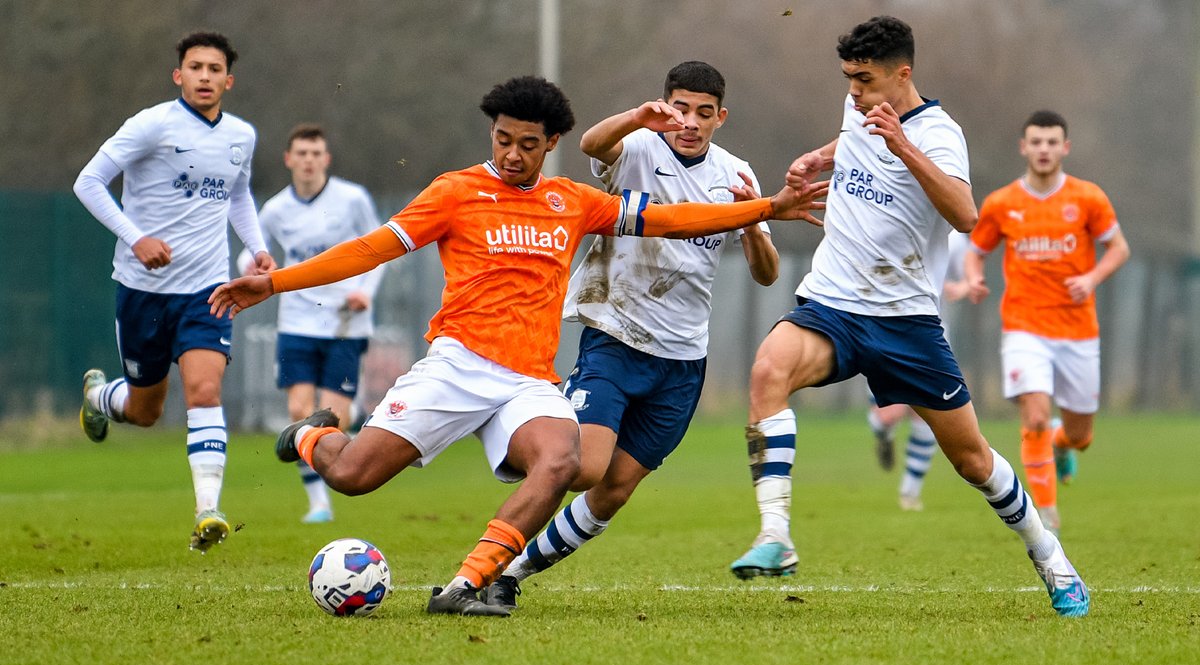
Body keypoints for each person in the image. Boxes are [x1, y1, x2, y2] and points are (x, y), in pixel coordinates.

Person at [207, 75, 824, 616]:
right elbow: (369, 249)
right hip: (455, 364)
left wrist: (768, 208)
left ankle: (467, 583)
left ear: (550, 144)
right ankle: (312, 437)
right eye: (503, 139)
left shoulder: (571, 202)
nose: (512, 153)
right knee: (351, 476)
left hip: (528, 379)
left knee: (565, 462)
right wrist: (276, 283)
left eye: (528, 144)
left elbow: (669, 219)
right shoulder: (454, 192)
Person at [730, 16, 1089, 616]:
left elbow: (965, 213)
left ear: (903, 74)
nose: (853, 92)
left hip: (906, 322)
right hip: (834, 304)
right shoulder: (860, 107)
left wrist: (904, 146)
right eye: (847, 79)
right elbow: (855, 138)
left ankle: (1049, 555)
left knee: (972, 459)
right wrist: (820, 155)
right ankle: (775, 537)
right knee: (769, 371)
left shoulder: (941, 134)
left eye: (864, 80)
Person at [479, 61, 785, 608]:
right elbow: (594, 143)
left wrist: (748, 222)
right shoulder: (641, 146)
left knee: (613, 489)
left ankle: (508, 573)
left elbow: (767, 273)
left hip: (683, 360)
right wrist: (639, 118)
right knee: (584, 467)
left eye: (703, 113)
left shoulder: (737, 173)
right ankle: (506, 439)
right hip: (616, 336)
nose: (689, 121)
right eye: (680, 108)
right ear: (665, 105)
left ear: (721, 117)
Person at [73, 31, 275, 553]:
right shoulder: (151, 125)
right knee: (145, 411)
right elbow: (89, 182)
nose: (204, 76)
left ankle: (207, 510)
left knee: (204, 393)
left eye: (214, 69)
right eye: (195, 67)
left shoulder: (242, 136)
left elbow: (238, 196)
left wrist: (255, 249)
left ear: (228, 81)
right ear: (178, 75)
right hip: (143, 289)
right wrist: (134, 238)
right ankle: (100, 396)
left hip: (208, 289)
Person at [964, 110, 1129, 535]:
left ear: (1065, 148)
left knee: (1081, 434)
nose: (1043, 149)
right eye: (1036, 141)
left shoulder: (1088, 197)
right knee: (1034, 416)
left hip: (1078, 330)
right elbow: (975, 249)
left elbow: (1118, 249)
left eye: (1052, 142)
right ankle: (1048, 515)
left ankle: (1062, 442)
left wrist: (1091, 278)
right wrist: (974, 278)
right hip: (1023, 326)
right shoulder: (1002, 203)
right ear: (1023, 147)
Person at [247, 124, 384, 524]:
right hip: (297, 322)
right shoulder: (274, 210)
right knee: (298, 412)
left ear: (326, 159)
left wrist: (366, 293)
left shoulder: (352, 199)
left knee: (334, 420)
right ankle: (319, 503)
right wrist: (255, 266)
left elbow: (379, 250)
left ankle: (355, 412)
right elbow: (254, 258)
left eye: (315, 153)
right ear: (289, 159)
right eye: (301, 154)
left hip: (345, 323)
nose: (308, 161)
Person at [867, 230, 970, 512]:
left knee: (925, 414)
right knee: (889, 414)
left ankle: (909, 492)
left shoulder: (955, 240)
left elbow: (970, 276)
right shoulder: (889, 221)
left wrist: (962, 288)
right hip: (881, 329)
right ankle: (883, 432)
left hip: (930, 334)